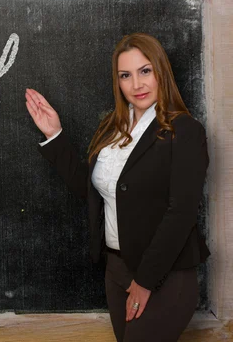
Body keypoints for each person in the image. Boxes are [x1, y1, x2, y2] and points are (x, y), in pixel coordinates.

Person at [25, 33, 209, 342]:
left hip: (164, 275)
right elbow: (94, 193)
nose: (136, 84)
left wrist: (145, 281)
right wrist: (55, 135)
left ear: (161, 71)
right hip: (117, 270)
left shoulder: (185, 131)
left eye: (145, 71)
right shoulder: (112, 129)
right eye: (126, 75)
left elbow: (182, 212)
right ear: (118, 81)